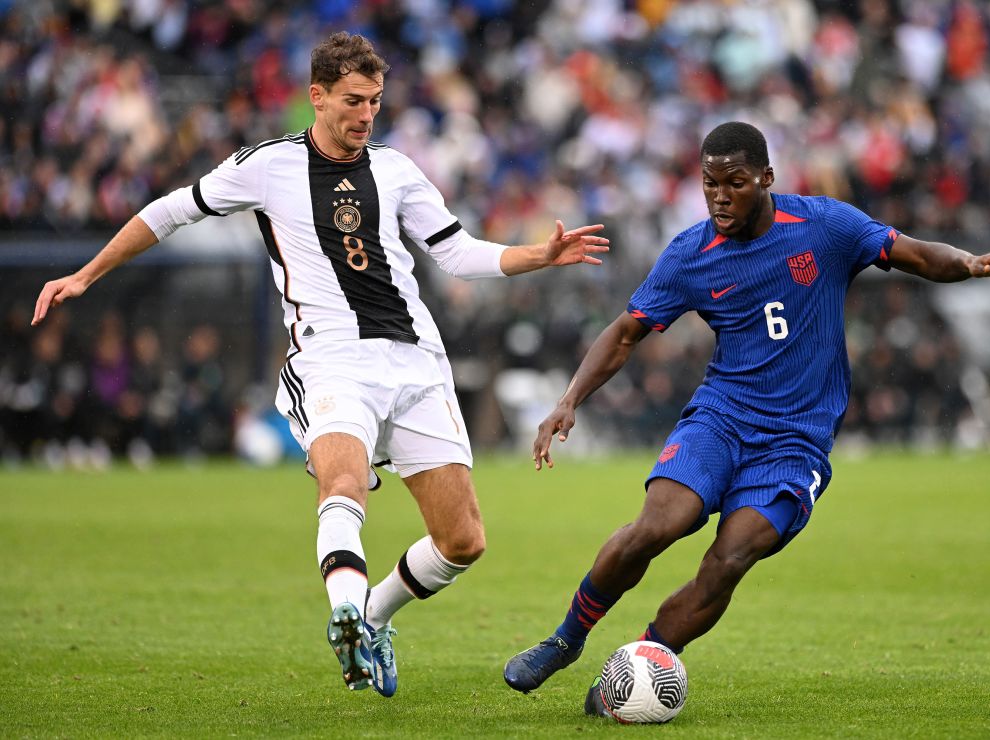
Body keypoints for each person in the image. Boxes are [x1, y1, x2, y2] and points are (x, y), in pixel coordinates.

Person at [32, 32, 609, 699]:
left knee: (463, 540)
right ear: (317, 97)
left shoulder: (395, 170)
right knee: (344, 477)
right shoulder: (267, 166)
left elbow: (455, 253)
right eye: (354, 101)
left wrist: (535, 255)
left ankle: (371, 615)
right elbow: (169, 212)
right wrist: (87, 273)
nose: (367, 114)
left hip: (416, 361)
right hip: (331, 359)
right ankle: (343, 605)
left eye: (376, 101)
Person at [502, 122, 990, 716]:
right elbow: (627, 332)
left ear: (767, 179)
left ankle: (636, 671)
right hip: (721, 417)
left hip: (797, 442)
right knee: (659, 525)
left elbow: (911, 253)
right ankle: (566, 639)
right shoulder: (690, 254)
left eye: (735, 182)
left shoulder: (825, 226)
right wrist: (569, 398)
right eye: (710, 184)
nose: (720, 196)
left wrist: (969, 263)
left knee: (728, 558)